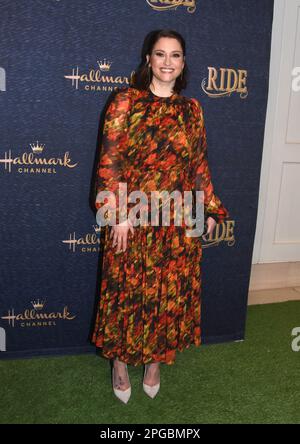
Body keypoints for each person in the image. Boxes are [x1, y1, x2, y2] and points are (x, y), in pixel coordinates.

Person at [91, 29, 229, 404]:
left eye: (176, 55)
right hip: (131, 217)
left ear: (183, 63)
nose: (168, 62)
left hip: (178, 220)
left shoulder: (192, 110)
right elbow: (110, 160)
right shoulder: (125, 102)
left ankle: (154, 363)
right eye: (160, 54)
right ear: (148, 59)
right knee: (126, 293)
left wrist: (209, 209)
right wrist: (117, 214)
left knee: (168, 294)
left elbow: (199, 165)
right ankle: (119, 364)